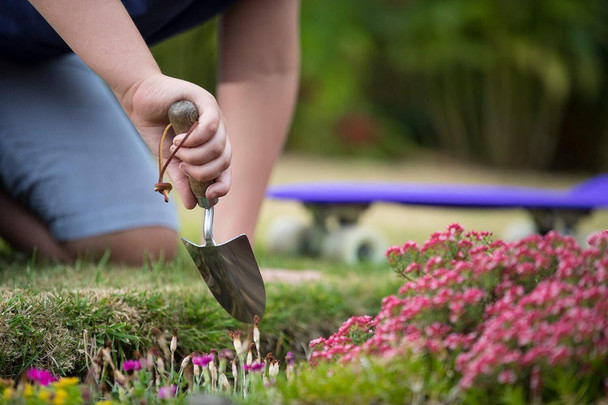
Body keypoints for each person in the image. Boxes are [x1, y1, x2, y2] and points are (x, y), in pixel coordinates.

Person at [0, 0, 300, 265]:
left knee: (136, 244)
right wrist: (137, 84)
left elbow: (264, 69)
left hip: (32, 59)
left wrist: (233, 248)